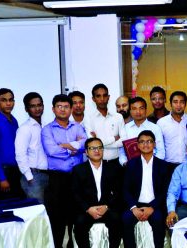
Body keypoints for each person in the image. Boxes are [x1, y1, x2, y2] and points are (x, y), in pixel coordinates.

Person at [42, 94, 87, 248]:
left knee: (76, 214)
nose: (63, 109)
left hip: (77, 177)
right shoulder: (47, 129)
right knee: (58, 217)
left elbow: (84, 144)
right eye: (59, 106)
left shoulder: (77, 127)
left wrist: (65, 145)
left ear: (71, 109)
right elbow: (52, 151)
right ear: (53, 109)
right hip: (57, 179)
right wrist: (73, 149)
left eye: (66, 106)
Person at [122, 130, 172, 248]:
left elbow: (165, 191)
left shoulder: (163, 166)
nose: (146, 144)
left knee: (159, 219)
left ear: (154, 144)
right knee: (125, 219)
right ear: (138, 145)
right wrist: (134, 208)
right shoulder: (131, 164)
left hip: (155, 205)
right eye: (142, 142)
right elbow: (125, 189)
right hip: (136, 205)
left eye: (149, 141)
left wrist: (152, 207)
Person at [71, 138, 122, 248]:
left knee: (117, 220)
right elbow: (75, 193)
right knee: (79, 223)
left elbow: (118, 192)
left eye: (99, 148)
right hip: (87, 209)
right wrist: (88, 208)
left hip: (106, 207)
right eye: (92, 148)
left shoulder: (112, 168)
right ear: (86, 152)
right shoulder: (78, 170)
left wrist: (107, 206)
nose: (97, 151)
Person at [0, 88, 23, 198]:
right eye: (4, 100)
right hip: (4, 172)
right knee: (6, 207)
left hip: (16, 170)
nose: (8, 103)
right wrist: (2, 178)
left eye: (11, 100)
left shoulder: (14, 120)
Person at [16, 92, 49, 204]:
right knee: (38, 210)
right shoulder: (25, 129)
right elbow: (20, 155)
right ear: (26, 109)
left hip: (48, 174)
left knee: (49, 210)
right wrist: (29, 177)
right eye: (33, 106)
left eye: (39, 105)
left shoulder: (45, 125)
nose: (37, 109)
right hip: (33, 176)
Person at [86, 84, 127, 168]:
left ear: (108, 97)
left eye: (105, 96)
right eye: (98, 96)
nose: (102, 99)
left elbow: (124, 140)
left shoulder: (118, 117)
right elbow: (92, 144)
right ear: (93, 99)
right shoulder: (88, 118)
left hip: (116, 163)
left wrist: (100, 143)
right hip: (96, 164)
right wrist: (113, 139)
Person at [122, 97, 165, 164]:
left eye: (141, 108)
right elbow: (122, 151)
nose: (138, 112)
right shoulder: (125, 128)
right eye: (134, 109)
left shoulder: (155, 128)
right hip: (131, 167)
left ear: (146, 110)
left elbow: (161, 151)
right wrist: (125, 163)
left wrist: (152, 164)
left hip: (152, 166)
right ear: (130, 111)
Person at [157, 91, 187, 166]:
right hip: (167, 165)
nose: (178, 105)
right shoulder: (161, 123)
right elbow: (158, 146)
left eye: (182, 102)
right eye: (175, 102)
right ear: (170, 104)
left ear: (185, 104)